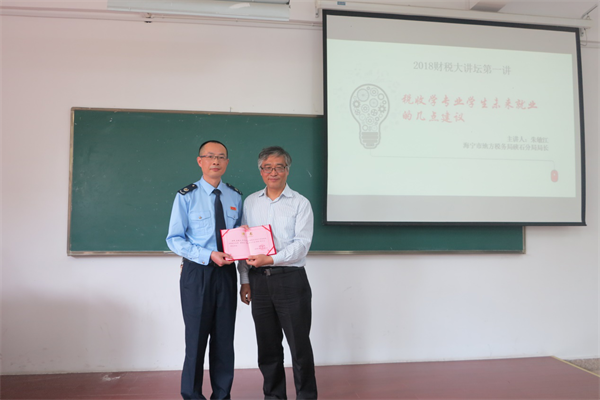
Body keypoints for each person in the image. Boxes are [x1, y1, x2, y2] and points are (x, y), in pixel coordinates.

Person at [237, 146, 317, 400]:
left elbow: (302, 245)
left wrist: (270, 258)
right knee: (267, 348)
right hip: (259, 282)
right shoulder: (250, 202)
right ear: (261, 171)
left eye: (279, 167)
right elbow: (244, 243)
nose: (273, 172)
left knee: (299, 347)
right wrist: (245, 280)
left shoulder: (301, 203)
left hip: (290, 280)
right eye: (267, 167)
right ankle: (273, 396)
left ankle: (306, 396)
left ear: (287, 170)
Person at [166, 140, 243, 400]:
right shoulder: (186, 195)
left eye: (221, 157)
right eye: (210, 156)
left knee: (224, 340)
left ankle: (222, 395)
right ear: (200, 161)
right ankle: (192, 395)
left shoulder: (235, 196)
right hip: (197, 273)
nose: (215, 161)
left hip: (226, 274)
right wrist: (208, 254)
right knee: (196, 339)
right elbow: (174, 239)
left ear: (227, 162)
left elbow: (239, 237)